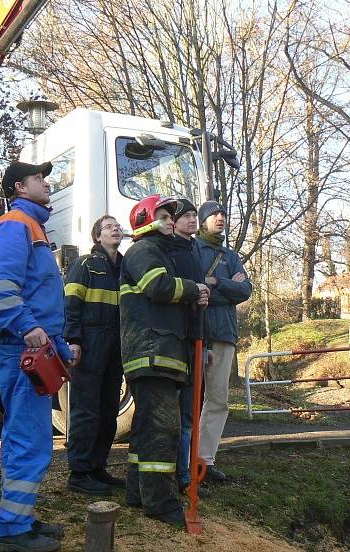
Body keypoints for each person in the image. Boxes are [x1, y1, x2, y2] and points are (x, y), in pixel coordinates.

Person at [0, 160, 74, 552]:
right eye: (39, 177)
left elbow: (35, 295)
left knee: (30, 438)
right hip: (23, 350)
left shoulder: (31, 226)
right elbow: (0, 287)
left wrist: (61, 345)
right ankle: (13, 532)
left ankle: (22, 520)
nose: (46, 182)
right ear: (20, 186)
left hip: (34, 348)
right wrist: (28, 327)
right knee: (28, 439)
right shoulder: (15, 225)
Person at [120, 195, 209, 525]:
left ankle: (137, 493)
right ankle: (160, 503)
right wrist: (192, 288)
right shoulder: (145, 251)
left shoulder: (158, 252)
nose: (171, 219)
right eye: (164, 214)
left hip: (156, 353)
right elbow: (156, 286)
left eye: (172, 215)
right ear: (145, 218)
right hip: (152, 352)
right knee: (163, 429)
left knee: (145, 428)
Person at [63, 215, 124, 496]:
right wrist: (73, 340)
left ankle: (97, 467)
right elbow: (71, 304)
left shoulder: (125, 268)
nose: (116, 229)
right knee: (86, 409)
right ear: (97, 236)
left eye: (117, 226)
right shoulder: (85, 264)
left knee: (108, 410)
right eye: (109, 227)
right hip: (90, 342)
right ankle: (79, 472)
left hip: (116, 345)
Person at [195, 201, 252, 485]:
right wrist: (225, 285)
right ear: (202, 221)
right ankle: (185, 458)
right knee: (188, 398)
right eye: (214, 215)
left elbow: (245, 290)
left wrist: (216, 281)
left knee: (218, 398)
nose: (220, 218)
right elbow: (193, 286)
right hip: (196, 331)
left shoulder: (230, 255)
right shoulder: (192, 250)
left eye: (223, 215)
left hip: (224, 334)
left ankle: (204, 461)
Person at [169, 198, 206, 493]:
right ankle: (181, 476)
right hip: (176, 339)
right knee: (178, 413)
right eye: (186, 216)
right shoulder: (170, 251)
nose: (192, 220)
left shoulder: (194, 251)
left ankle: (186, 473)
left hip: (196, 336)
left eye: (195, 215)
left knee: (190, 413)